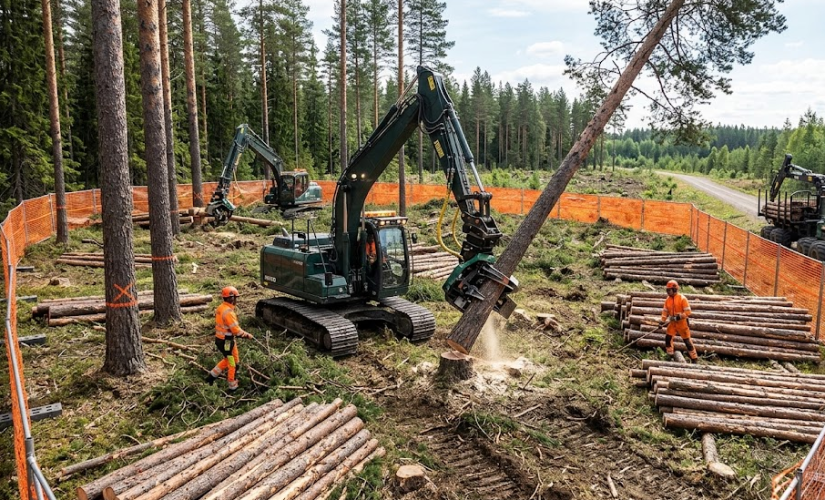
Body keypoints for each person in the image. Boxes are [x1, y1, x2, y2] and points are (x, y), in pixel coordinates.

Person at [205, 286, 254, 391]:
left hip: (224, 339)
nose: (236, 300)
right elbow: (236, 331)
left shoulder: (221, 307)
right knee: (232, 362)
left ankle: (211, 376)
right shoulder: (229, 313)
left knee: (232, 359)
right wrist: (247, 335)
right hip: (226, 341)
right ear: (232, 298)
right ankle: (232, 385)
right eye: (236, 297)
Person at [660, 280, 697, 362]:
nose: (668, 292)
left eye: (669, 290)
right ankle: (670, 355)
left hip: (682, 323)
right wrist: (662, 321)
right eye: (667, 290)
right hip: (672, 323)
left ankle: (694, 357)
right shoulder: (668, 300)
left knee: (687, 341)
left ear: (674, 289)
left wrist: (680, 316)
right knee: (668, 339)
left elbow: (688, 312)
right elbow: (665, 311)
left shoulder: (682, 299)